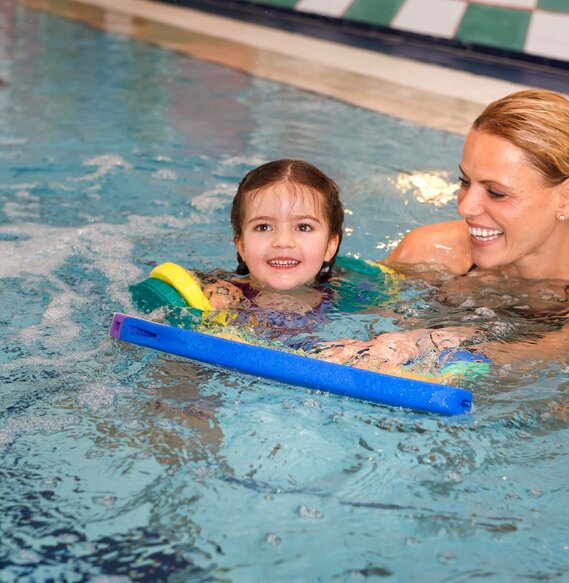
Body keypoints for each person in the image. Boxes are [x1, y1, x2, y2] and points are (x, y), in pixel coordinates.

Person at [321, 89, 569, 368]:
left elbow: (551, 352)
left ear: (565, 197)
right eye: (465, 182)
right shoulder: (430, 251)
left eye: (496, 193)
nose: (465, 207)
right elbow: (354, 308)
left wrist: (437, 342)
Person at [198, 159, 344, 339]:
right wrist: (205, 287)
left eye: (303, 227)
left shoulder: (347, 298)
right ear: (242, 246)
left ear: (330, 246)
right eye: (263, 227)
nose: (282, 241)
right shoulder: (221, 294)